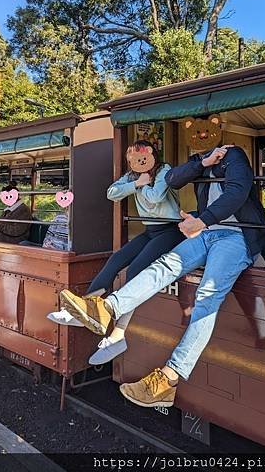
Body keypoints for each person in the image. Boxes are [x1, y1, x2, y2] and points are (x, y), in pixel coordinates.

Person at [59, 115, 265, 408]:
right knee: (164, 265)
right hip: (207, 232)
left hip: (236, 237)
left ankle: (168, 379)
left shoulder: (234, 155)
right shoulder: (200, 160)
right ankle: (106, 308)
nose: (201, 142)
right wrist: (203, 163)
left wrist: (202, 220)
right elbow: (173, 178)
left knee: (207, 295)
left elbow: (237, 192)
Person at [49, 140, 183, 366]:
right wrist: (136, 183)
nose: (136, 160)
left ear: (151, 154)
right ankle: (85, 309)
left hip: (170, 230)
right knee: (116, 260)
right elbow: (112, 192)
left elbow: (156, 197)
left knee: (135, 272)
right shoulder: (133, 176)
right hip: (150, 230)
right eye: (132, 156)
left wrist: (141, 184)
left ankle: (118, 335)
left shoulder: (164, 170)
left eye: (140, 155)